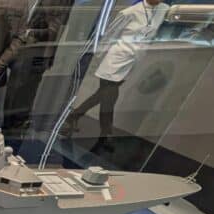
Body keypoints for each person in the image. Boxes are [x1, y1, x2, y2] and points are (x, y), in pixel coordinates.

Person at [65, 0, 170, 152]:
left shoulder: (164, 9)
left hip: (132, 61)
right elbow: (110, 35)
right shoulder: (129, 12)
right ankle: (106, 134)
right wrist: (98, 58)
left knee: (102, 94)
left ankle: (75, 116)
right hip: (115, 59)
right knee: (110, 97)